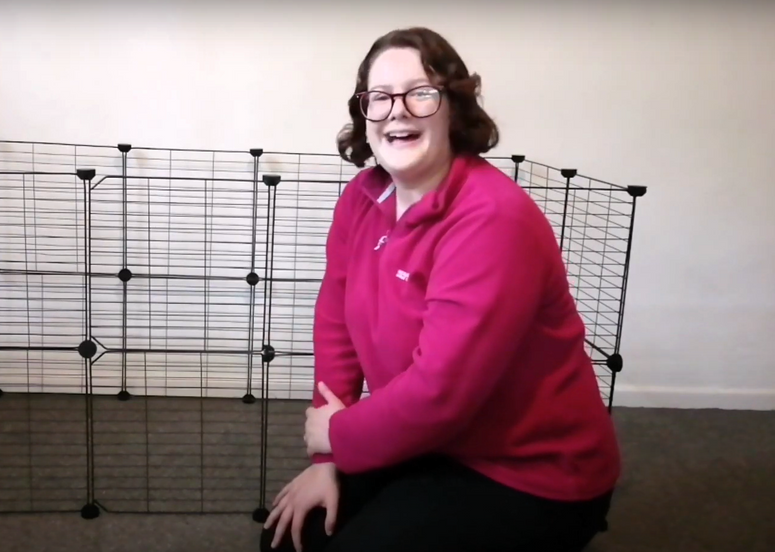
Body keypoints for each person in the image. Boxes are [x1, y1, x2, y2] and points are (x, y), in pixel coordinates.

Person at [260, 27, 621, 552]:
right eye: (379, 98)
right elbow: (336, 321)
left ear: (453, 107)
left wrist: (340, 435)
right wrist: (330, 460)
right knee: (286, 540)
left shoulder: (492, 219)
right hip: (423, 441)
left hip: (529, 473)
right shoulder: (362, 197)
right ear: (364, 113)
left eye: (420, 94)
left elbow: (441, 392)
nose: (397, 111)